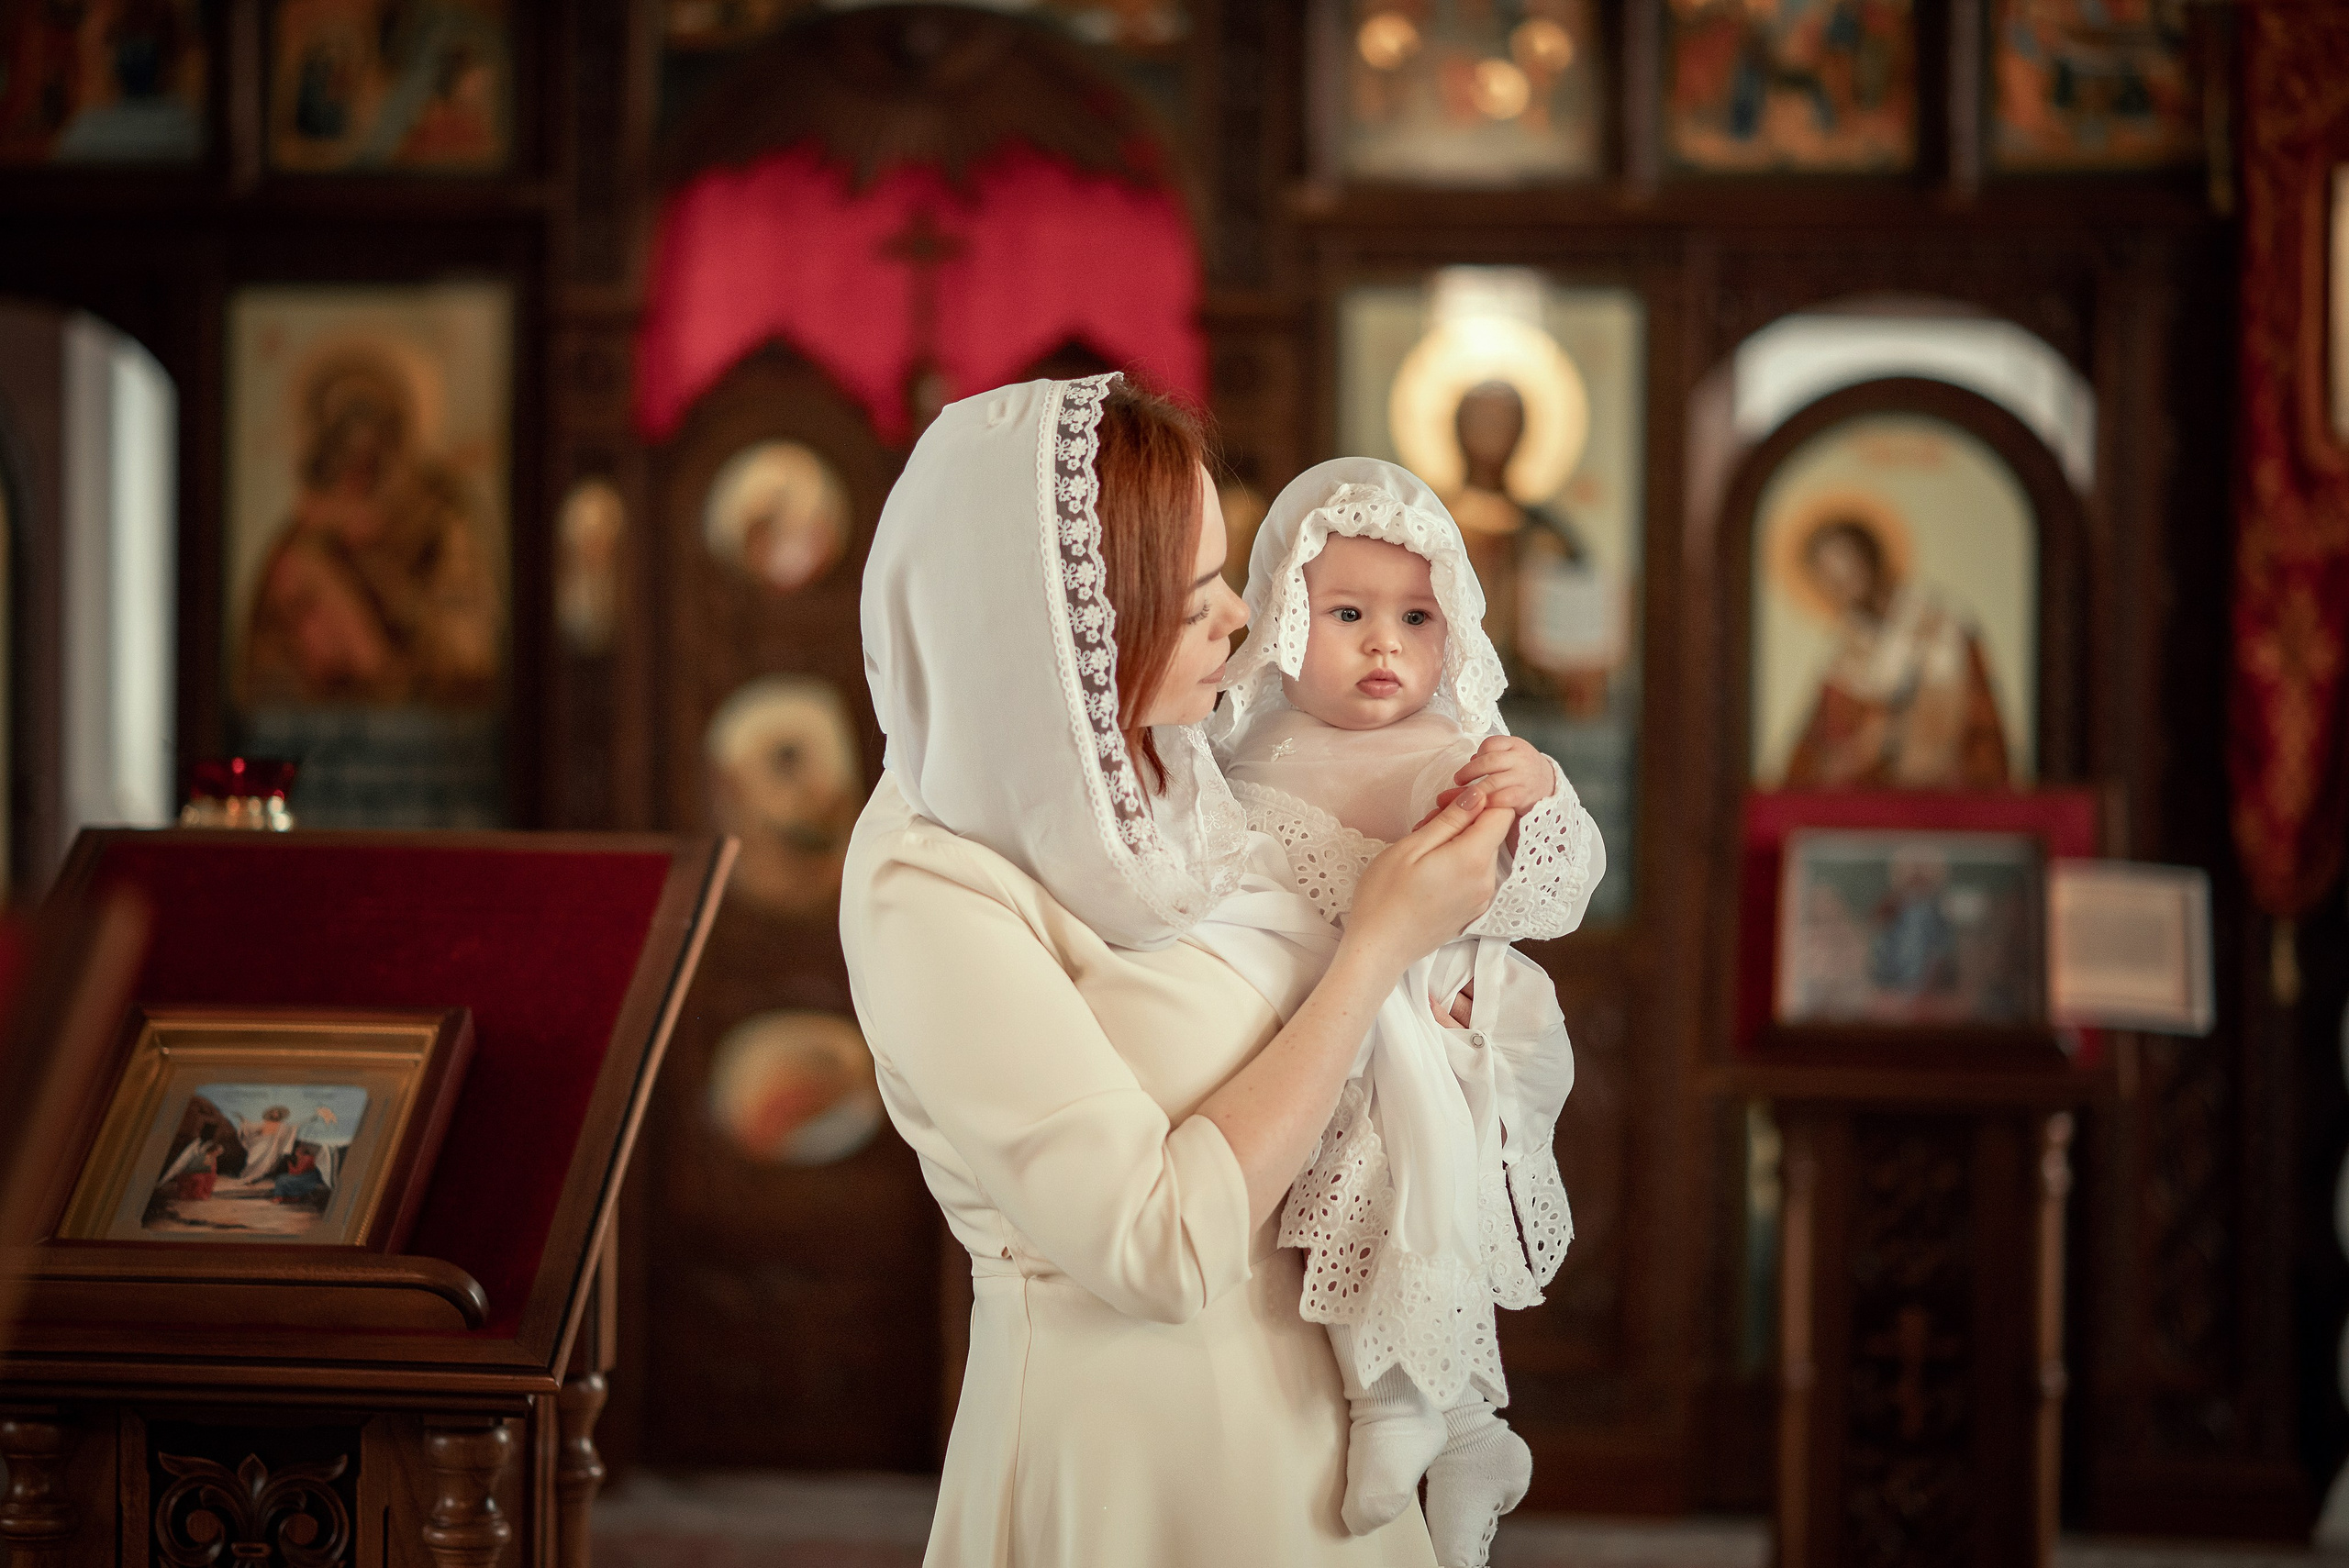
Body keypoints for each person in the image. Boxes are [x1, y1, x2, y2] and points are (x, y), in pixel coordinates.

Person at [841, 375, 1515, 1566]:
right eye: (1196, 593)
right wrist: (1377, 952)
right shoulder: (928, 875)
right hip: (1128, 1462)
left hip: (1324, 1439)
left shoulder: (1185, 776)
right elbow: (1158, 1247)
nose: (1242, 624)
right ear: (1065, 617)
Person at [1207, 458, 1604, 1566]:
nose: (1385, 645)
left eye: (1415, 617)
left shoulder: (1455, 750)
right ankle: (1469, 1427)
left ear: (1455, 631)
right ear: (1283, 612)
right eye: (1346, 613)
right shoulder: (1243, 748)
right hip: (1319, 1029)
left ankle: (1417, 1413)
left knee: (1399, 1186)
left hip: (1435, 1023)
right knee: (1348, 1197)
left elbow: (1551, 893)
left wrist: (1536, 802)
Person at [242, 349, 500, 710]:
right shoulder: (306, 539)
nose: (357, 458)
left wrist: (388, 583)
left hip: (428, 722)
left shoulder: (438, 523)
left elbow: (469, 648)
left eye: (374, 436)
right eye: (342, 437)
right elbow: (266, 663)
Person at [1781, 516, 2009, 790]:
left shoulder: (1942, 629)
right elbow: (1813, 751)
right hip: (1867, 808)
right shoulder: (1844, 658)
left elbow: (1980, 732)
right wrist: (1839, 761)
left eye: (1848, 569)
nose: (1841, 585)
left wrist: (1898, 734)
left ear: (1870, 559)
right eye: (1829, 578)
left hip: (1943, 804)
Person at [1442, 382, 1611, 718]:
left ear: (1523, 434)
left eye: (1503, 422)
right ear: (1456, 430)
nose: (1490, 434)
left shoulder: (1549, 535)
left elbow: (1580, 642)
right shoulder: (1429, 523)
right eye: (1479, 421)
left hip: (1533, 710)